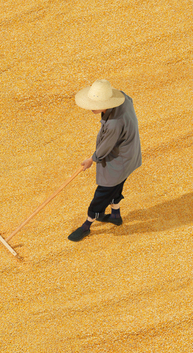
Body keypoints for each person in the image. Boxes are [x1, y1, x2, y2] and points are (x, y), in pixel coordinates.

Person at [68, 79, 142, 242]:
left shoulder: (114, 124)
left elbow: (105, 148)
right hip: (130, 155)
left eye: (96, 104)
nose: (91, 108)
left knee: (102, 194)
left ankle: (86, 226)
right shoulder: (123, 98)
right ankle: (115, 215)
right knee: (116, 187)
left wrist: (90, 160)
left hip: (119, 161)